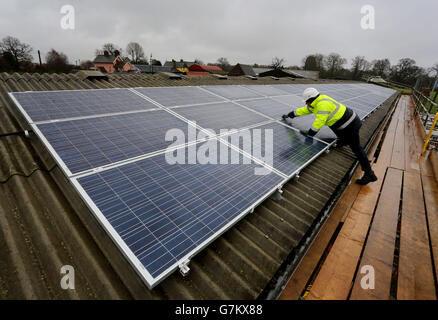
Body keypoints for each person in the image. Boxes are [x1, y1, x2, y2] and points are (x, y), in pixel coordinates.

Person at [282, 87, 377, 185]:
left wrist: (309, 134)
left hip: (350, 125)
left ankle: (369, 173)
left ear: (312, 99)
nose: (306, 103)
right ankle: (343, 141)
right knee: (341, 137)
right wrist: (292, 114)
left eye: (307, 101)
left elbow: (319, 122)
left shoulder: (323, 105)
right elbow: (306, 110)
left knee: (356, 148)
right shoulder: (317, 102)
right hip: (342, 124)